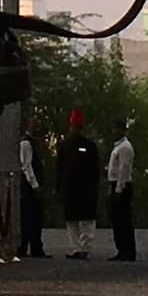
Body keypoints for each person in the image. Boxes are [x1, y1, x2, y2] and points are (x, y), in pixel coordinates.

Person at [57, 109, 102, 259]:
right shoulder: (64, 146)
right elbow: (60, 167)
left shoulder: (89, 146)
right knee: (72, 220)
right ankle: (76, 248)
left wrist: (95, 187)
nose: (74, 130)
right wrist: (59, 186)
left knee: (86, 220)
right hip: (70, 188)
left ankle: (85, 248)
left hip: (86, 188)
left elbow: (95, 169)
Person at [105, 122, 138, 262]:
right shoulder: (118, 146)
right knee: (117, 219)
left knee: (122, 219)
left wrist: (119, 189)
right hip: (115, 183)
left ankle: (127, 250)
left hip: (122, 185)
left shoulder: (125, 147)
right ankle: (122, 249)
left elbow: (123, 170)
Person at [15, 125, 47, 260]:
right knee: (30, 216)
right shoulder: (26, 143)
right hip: (29, 186)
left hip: (33, 184)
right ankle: (26, 246)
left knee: (34, 216)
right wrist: (34, 185)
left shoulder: (33, 143)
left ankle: (34, 245)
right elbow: (27, 166)